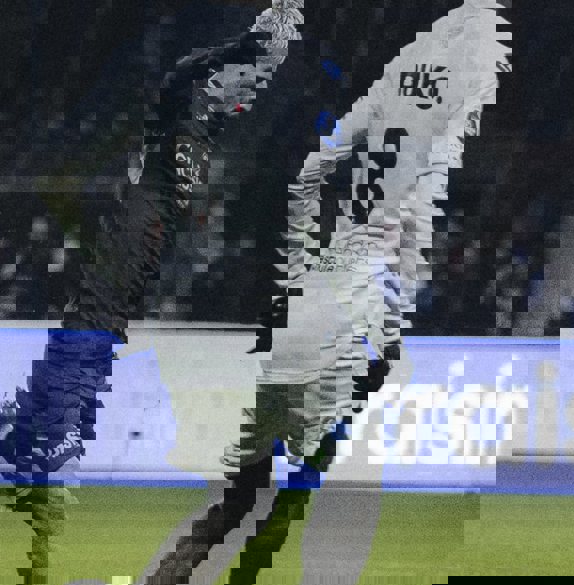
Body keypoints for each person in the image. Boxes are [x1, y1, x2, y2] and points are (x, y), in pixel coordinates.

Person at [144, 1, 513, 583]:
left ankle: (172, 572)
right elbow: (415, 226)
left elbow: (307, 177)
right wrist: (391, 331)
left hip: (306, 307)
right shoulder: (442, 131)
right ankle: (249, 571)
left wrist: (295, 279)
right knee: (313, 484)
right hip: (349, 320)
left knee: (245, 488)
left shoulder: (387, 89)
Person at [0, 1, 306, 580]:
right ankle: (28, 452)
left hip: (126, 284)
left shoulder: (206, 131)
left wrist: (269, 57)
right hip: (117, 270)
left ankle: (14, 429)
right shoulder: (177, 111)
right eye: (231, 85)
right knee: (81, 372)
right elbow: (184, 71)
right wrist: (248, 44)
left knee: (82, 361)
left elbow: (243, 93)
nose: (237, 94)